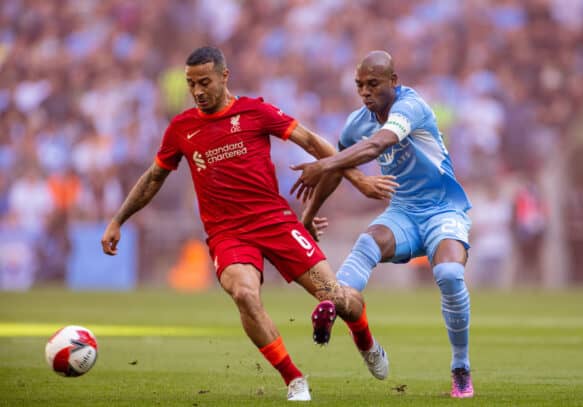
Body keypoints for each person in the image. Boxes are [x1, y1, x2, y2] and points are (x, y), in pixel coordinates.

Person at [101, 46, 398, 401]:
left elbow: (313, 142)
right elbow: (153, 178)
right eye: (190, 84)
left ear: (224, 77)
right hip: (228, 234)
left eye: (204, 82)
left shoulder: (255, 111)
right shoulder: (182, 127)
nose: (197, 91)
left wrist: (359, 180)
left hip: (276, 221)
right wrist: (118, 219)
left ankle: (366, 343)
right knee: (243, 293)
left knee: (338, 299)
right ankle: (294, 379)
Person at [291, 50, 475, 398]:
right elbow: (339, 166)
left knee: (449, 275)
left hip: (442, 210)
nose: (365, 92)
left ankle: (460, 367)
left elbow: (378, 145)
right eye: (359, 85)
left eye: (373, 84)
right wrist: (308, 216)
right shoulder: (356, 122)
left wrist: (325, 165)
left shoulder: (412, 106)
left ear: (393, 81)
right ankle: (333, 301)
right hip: (403, 212)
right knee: (367, 241)